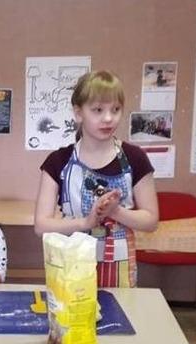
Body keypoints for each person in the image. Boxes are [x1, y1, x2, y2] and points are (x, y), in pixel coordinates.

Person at [34, 70, 158, 288]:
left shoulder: (135, 158)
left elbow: (150, 220)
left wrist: (115, 212)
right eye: (98, 110)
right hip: (72, 265)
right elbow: (41, 225)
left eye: (115, 109)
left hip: (118, 267)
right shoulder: (58, 161)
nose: (108, 118)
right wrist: (85, 222)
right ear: (78, 112)